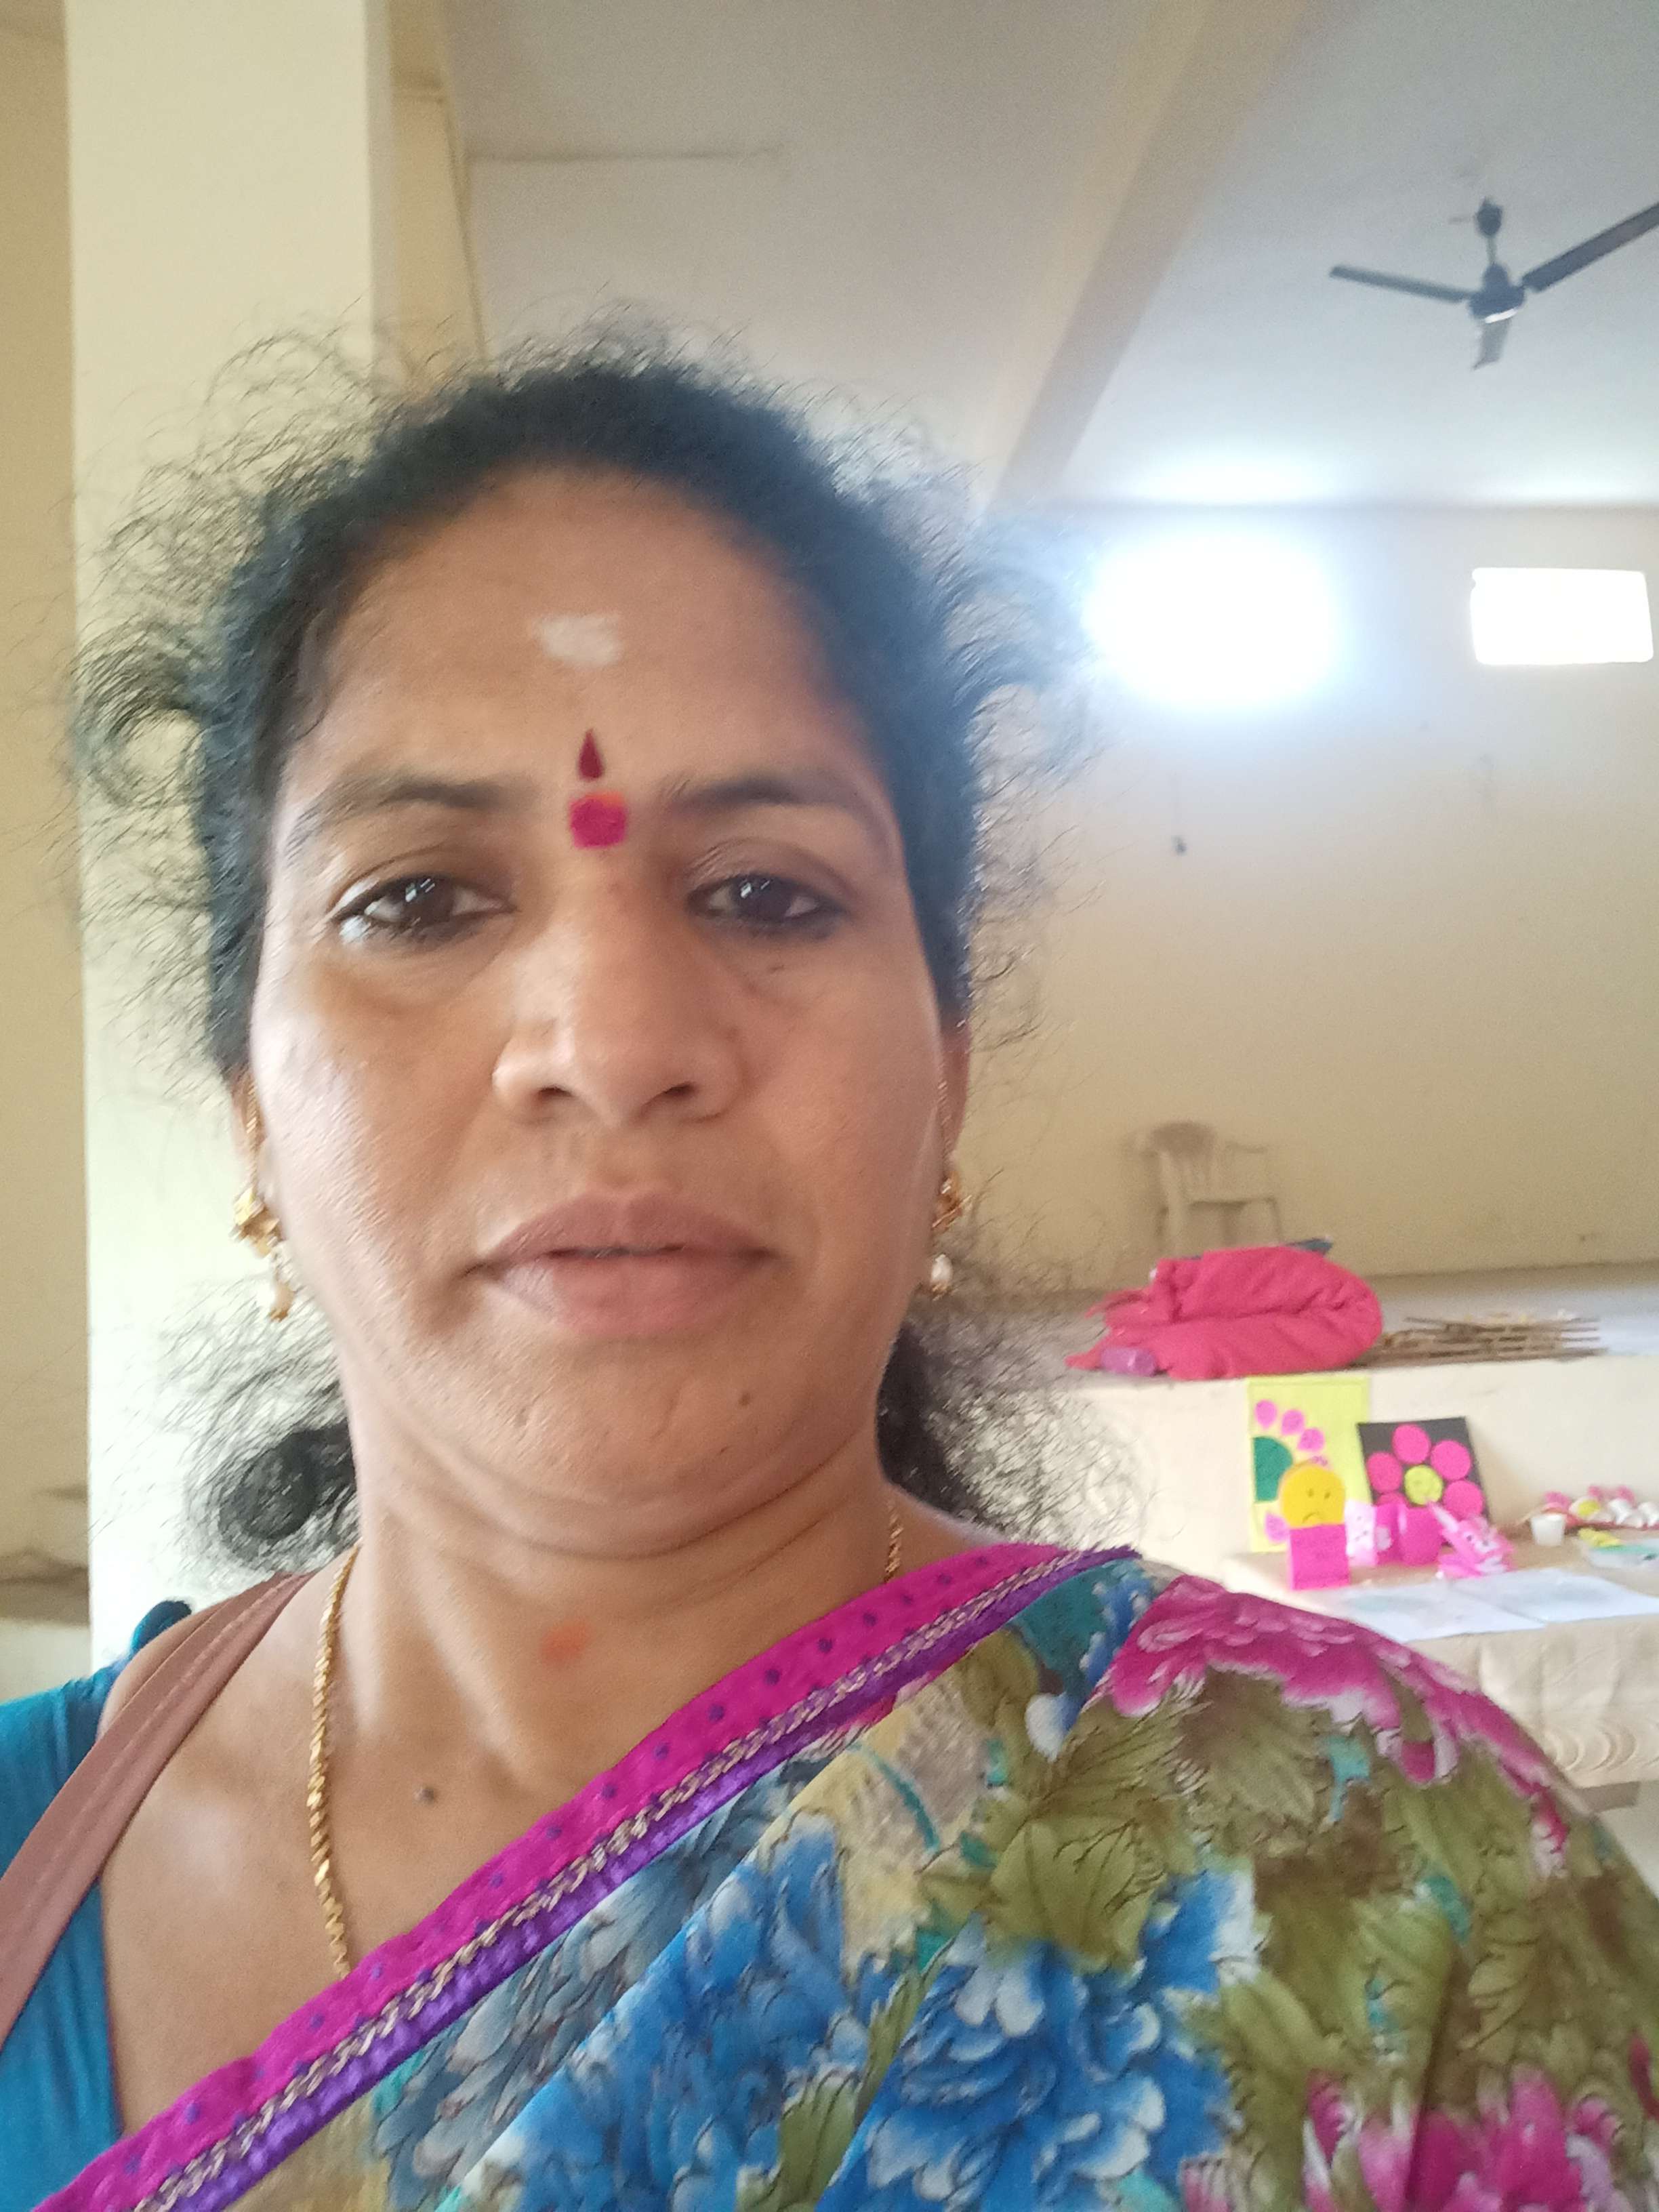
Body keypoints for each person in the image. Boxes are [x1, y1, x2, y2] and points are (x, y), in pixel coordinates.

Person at [1, 346, 1656, 2212]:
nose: (612, 1042)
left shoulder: (1406, 1887)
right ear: (250, 1111)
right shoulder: (29, 1857)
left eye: (767, 893)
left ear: (946, 1079)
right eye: (420, 899)